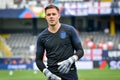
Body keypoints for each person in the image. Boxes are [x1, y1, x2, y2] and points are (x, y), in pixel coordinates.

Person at [35, 4, 84, 80]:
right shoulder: (41, 37)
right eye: (48, 14)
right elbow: (38, 60)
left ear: (59, 16)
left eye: (54, 14)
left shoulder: (70, 30)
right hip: (53, 75)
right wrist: (48, 74)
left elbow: (80, 51)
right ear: (45, 17)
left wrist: (69, 61)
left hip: (70, 73)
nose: (51, 16)